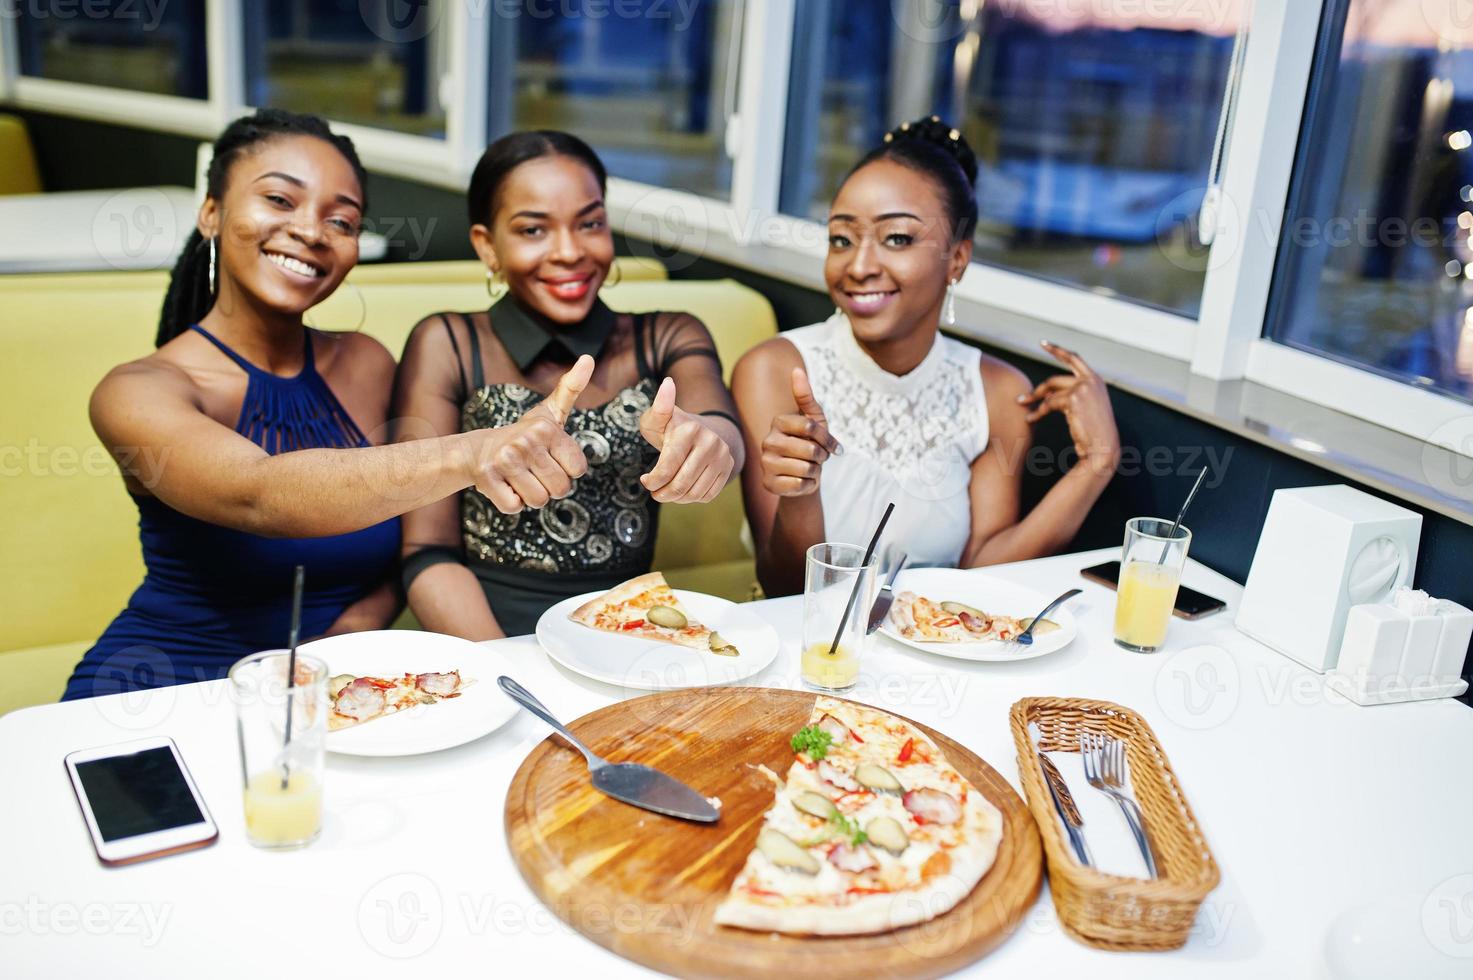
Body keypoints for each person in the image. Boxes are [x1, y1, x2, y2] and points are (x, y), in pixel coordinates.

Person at [64, 110, 593, 700]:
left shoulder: (367, 365)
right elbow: (258, 494)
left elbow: (407, 545)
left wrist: (340, 643)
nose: (312, 232)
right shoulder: (138, 391)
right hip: (164, 687)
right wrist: (476, 451)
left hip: (331, 693)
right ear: (211, 213)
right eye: (280, 200)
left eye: (341, 219)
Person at [732, 117, 1121, 597]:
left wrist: (1097, 465)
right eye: (841, 239)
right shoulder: (774, 371)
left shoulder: (998, 393)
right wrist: (800, 495)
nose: (859, 266)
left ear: (957, 259)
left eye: (897, 238)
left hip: (935, 645)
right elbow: (785, 589)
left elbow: (983, 573)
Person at [392, 131, 744, 638]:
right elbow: (426, 551)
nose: (569, 252)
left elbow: (720, 427)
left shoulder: (667, 333)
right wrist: (507, 667)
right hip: (483, 634)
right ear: (487, 246)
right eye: (534, 230)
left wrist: (709, 445)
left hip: (626, 633)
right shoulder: (446, 341)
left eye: (590, 224)